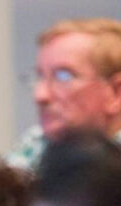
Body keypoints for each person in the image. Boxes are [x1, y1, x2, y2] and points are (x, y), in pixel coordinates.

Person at [7, 18, 121, 170]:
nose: (40, 96)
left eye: (63, 77)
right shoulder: (35, 146)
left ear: (115, 92)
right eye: (40, 76)